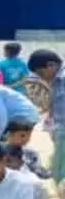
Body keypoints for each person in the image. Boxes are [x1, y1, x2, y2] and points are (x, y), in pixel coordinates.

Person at [26, 49, 65, 182]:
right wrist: (51, 123)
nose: (41, 77)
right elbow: (54, 103)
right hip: (59, 126)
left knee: (58, 167)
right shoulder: (54, 79)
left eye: (41, 73)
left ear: (51, 65)